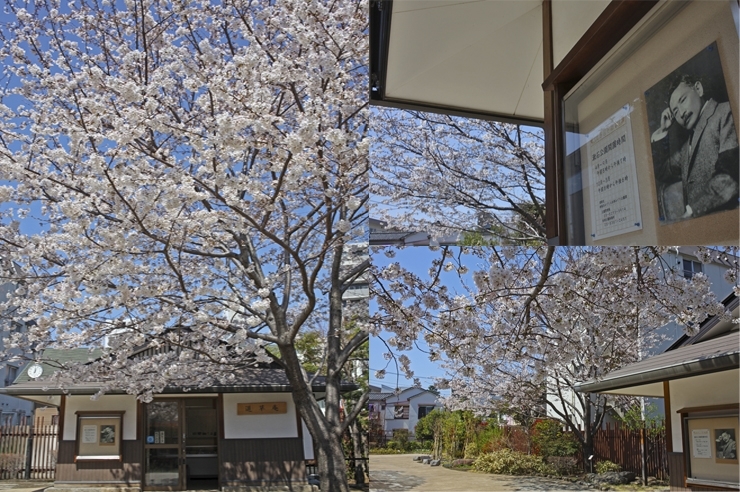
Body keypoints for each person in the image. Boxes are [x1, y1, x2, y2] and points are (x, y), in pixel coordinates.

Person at [650, 74, 739, 220]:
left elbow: (730, 176)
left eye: (683, 100)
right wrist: (663, 131)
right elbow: (662, 172)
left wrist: (691, 213)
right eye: (675, 112)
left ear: (698, 89)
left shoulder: (726, 112)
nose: (681, 113)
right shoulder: (687, 148)